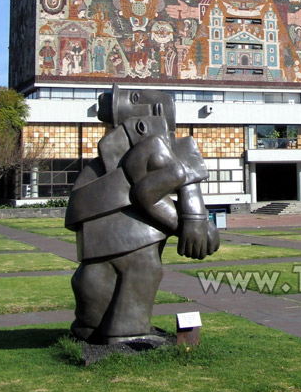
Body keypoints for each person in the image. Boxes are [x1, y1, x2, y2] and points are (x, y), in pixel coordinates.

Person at [65, 85, 219, 344]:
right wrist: (192, 221)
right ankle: (126, 334)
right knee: (143, 265)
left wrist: (195, 217)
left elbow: (160, 183)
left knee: (137, 265)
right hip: (107, 274)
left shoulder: (124, 160)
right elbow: (148, 191)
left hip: (92, 282)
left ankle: (104, 328)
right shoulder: (143, 153)